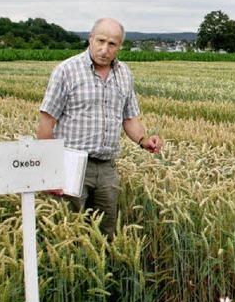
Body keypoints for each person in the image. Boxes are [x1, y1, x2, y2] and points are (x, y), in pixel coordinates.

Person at [36, 17, 162, 238]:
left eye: (112, 44)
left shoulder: (124, 74)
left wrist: (144, 140)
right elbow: (47, 121)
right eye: (100, 41)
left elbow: (129, 117)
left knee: (106, 233)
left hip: (106, 168)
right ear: (90, 38)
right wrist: (49, 171)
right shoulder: (66, 71)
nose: (104, 49)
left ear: (119, 46)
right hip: (71, 163)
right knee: (69, 232)